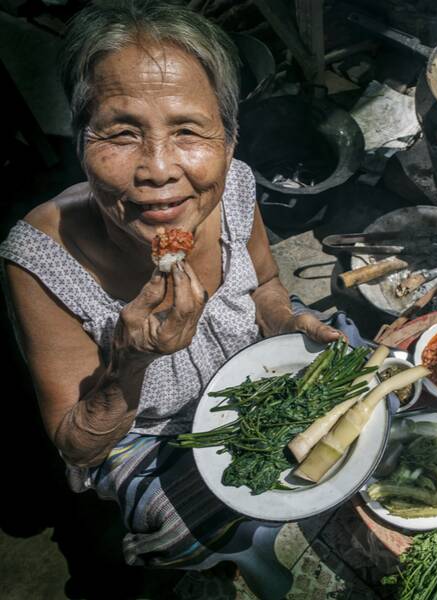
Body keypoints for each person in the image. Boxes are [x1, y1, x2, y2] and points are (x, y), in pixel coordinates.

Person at [0, 0, 343, 569]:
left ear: (229, 139)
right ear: (82, 139)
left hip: (249, 370)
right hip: (149, 430)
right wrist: (128, 360)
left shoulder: (232, 183)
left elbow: (265, 284)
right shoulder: (37, 259)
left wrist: (285, 320)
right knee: (178, 525)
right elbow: (78, 444)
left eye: (189, 130)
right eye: (121, 132)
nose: (158, 169)